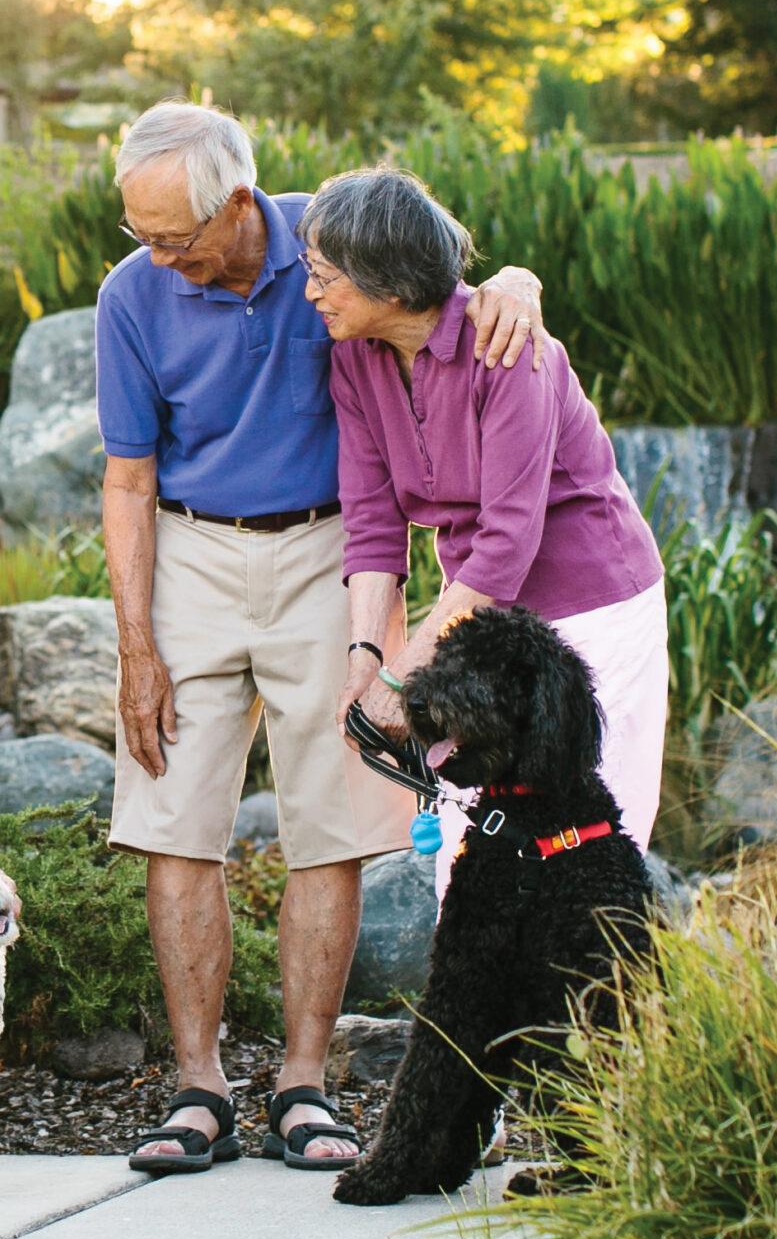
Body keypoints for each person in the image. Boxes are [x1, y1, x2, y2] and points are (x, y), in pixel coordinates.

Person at [98, 103, 551, 1174]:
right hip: (191, 554)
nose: (160, 258)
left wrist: (518, 282)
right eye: (141, 235)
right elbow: (126, 479)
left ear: (240, 201)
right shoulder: (133, 296)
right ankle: (198, 1086)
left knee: (332, 823)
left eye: (176, 236)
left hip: (335, 554)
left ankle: (303, 1080)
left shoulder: (328, 252)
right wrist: (134, 645)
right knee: (175, 819)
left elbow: (448, 287)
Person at [306, 166, 668, 889]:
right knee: (469, 844)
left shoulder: (510, 350)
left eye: (324, 276)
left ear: (393, 283)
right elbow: (375, 524)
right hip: (479, 620)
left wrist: (403, 675)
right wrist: (365, 660)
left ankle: (604, 1001)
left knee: (587, 838)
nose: (311, 292)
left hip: (593, 612)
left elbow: (508, 540)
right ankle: (471, 1003)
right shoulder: (352, 358)